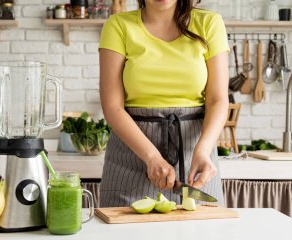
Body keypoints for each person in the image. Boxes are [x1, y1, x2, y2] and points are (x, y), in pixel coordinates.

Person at [98, 0, 229, 207]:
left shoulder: (209, 23)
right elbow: (112, 106)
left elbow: (218, 100)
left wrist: (203, 150)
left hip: (194, 158)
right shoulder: (118, 25)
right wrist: (151, 157)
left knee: (202, 237)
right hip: (132, 158)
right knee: (125, 239)